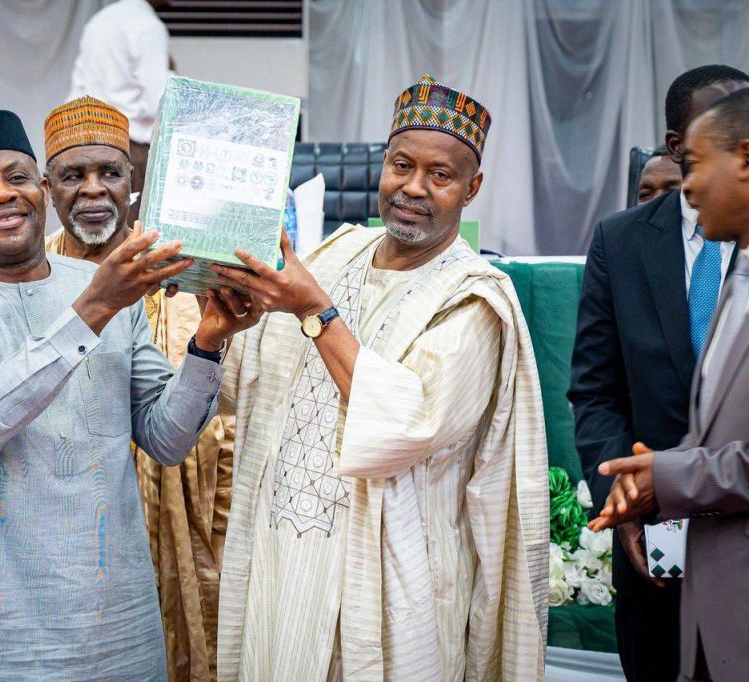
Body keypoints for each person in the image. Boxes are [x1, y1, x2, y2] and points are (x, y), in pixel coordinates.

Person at [0, 107, 259, 680]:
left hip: (112, 614)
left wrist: (208, 344)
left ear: (39, 190)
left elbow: (166, 439)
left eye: (16, 178)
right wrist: (96, 306)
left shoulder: (102, 290)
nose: (1, 195)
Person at [214, 75, 548, 680]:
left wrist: (315, 311)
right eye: (401, 165)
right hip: (283, 562)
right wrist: (222, 320)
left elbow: (405, 426)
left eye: (440, 175)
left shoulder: (474, 299)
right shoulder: (335, 253)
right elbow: (247, 386)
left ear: (471, 188)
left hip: (389, 581)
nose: (413, 187)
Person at [43, 96, 234, 681]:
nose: (93, 190)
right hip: (66, 517)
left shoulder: (181, 267)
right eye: (73, 175)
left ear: (133, 182)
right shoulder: (33, 273)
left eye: (110, 172)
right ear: (48, 187)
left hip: (175, 502)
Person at [569, 64, 748, 682]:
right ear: (677, 146)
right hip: (651, 543)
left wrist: (672, 479)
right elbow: (595, 389)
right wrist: (622, 502)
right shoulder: (619, 241)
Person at [67, 0, 173, 223]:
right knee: (130, 228)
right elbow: (156, 101)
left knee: (94, 224)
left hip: (90, 139)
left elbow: (79, 86)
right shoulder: (148, 26)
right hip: (131, 145)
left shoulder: (99, 21)